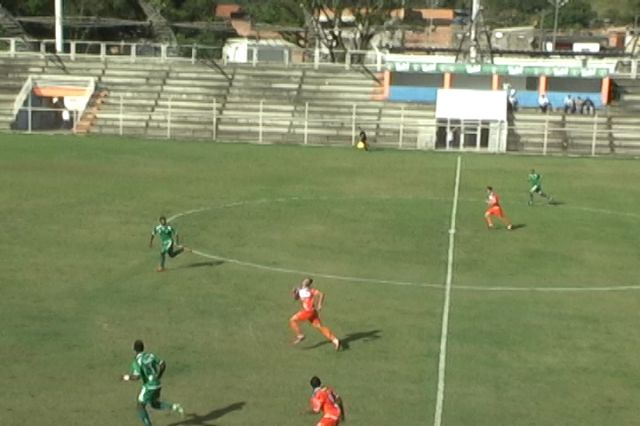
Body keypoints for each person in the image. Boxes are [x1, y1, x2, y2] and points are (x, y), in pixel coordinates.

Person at [121, 340, 184, 426]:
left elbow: (136, 377)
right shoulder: (150, 356)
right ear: (143, 348)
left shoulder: (137, 361)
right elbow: (162, 364)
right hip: (157, 384)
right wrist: (159, 376)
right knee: (154, 404)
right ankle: (174, 406)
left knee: (140, 406)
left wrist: (125, 377)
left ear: (134, 349)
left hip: (149, 386)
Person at [290, 278, 341, 350]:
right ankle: (335, 340)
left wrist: (320, 304)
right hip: (313, 312)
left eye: (305, 281)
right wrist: (295, 293)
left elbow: (321, 294)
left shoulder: (308, 290)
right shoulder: (308, 290)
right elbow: (296, 298)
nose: (303, 281)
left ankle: (300, 335)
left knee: (292, 320)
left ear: (307, 283)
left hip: (308, 311)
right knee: (319, 326)